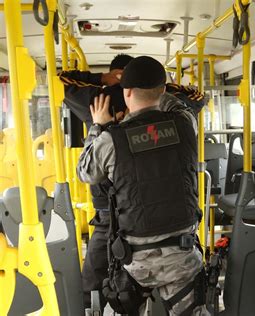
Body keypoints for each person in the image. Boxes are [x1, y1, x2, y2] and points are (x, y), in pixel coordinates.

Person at [77, 56, 208, 316]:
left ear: (126, 93)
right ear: (162, 90)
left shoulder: (110, 140)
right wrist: (159, 89)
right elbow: (176, 102)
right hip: (181, 254)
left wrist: (97, 125)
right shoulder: (186, 123)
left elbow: (85, 172)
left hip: (136, 260)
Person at [60, 54, 134, 309]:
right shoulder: (155, 103)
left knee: (91, 284)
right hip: (142, 208)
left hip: (107, 212)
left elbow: (61, 80)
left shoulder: (97, 100)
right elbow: (196, 97)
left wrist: (101, 79)